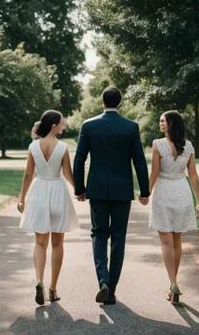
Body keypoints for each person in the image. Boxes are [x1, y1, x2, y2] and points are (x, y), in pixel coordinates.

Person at [73, 87, 150, 306]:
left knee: (98, 234)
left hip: (97, 189)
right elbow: (139, 162)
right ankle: (112, 290)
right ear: (120, 102)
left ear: (102, 102)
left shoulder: (89, 125)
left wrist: (80, 189)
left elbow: (79, 160)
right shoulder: (131, 127)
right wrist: (144, 191)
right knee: (118, 237)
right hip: (122, 190)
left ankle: (103, 281)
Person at [18, 110, 79, 306]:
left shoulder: (33, 146)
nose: (65, 124)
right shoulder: (62, 147)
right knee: (57, 244)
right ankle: (52, 289)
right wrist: (80, 190)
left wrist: (22, 198)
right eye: (62, 122)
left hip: (39, 193)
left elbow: (28, 175)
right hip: (58, 192)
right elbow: (68, 174)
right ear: (54, 125)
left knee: (40, 243)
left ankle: (39, 281)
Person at [149, 110, 199, 304]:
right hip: (182, 191)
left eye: (163, 121)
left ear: (172, 123)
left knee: (166, 242)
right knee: (177, 242)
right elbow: (193, 175)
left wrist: (147, 193)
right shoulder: (188, 145)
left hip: (163, 191)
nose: (160, 123)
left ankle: (173, 283)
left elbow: (155, 173)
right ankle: (173, 284)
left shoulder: (158, 144)